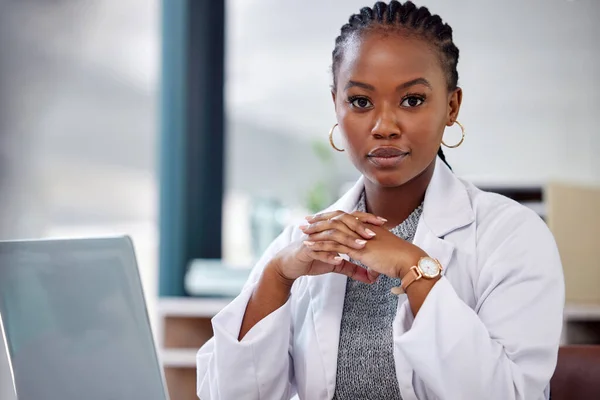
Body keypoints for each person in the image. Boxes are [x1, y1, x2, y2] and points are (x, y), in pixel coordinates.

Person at [196, 1, 564, 399]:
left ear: (451, 106)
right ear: (336, 105)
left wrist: (413, 266)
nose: (384, 126)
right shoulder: (303, 241)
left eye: (412, 100)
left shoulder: (512, 237)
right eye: (360, 102)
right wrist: (277, 276)